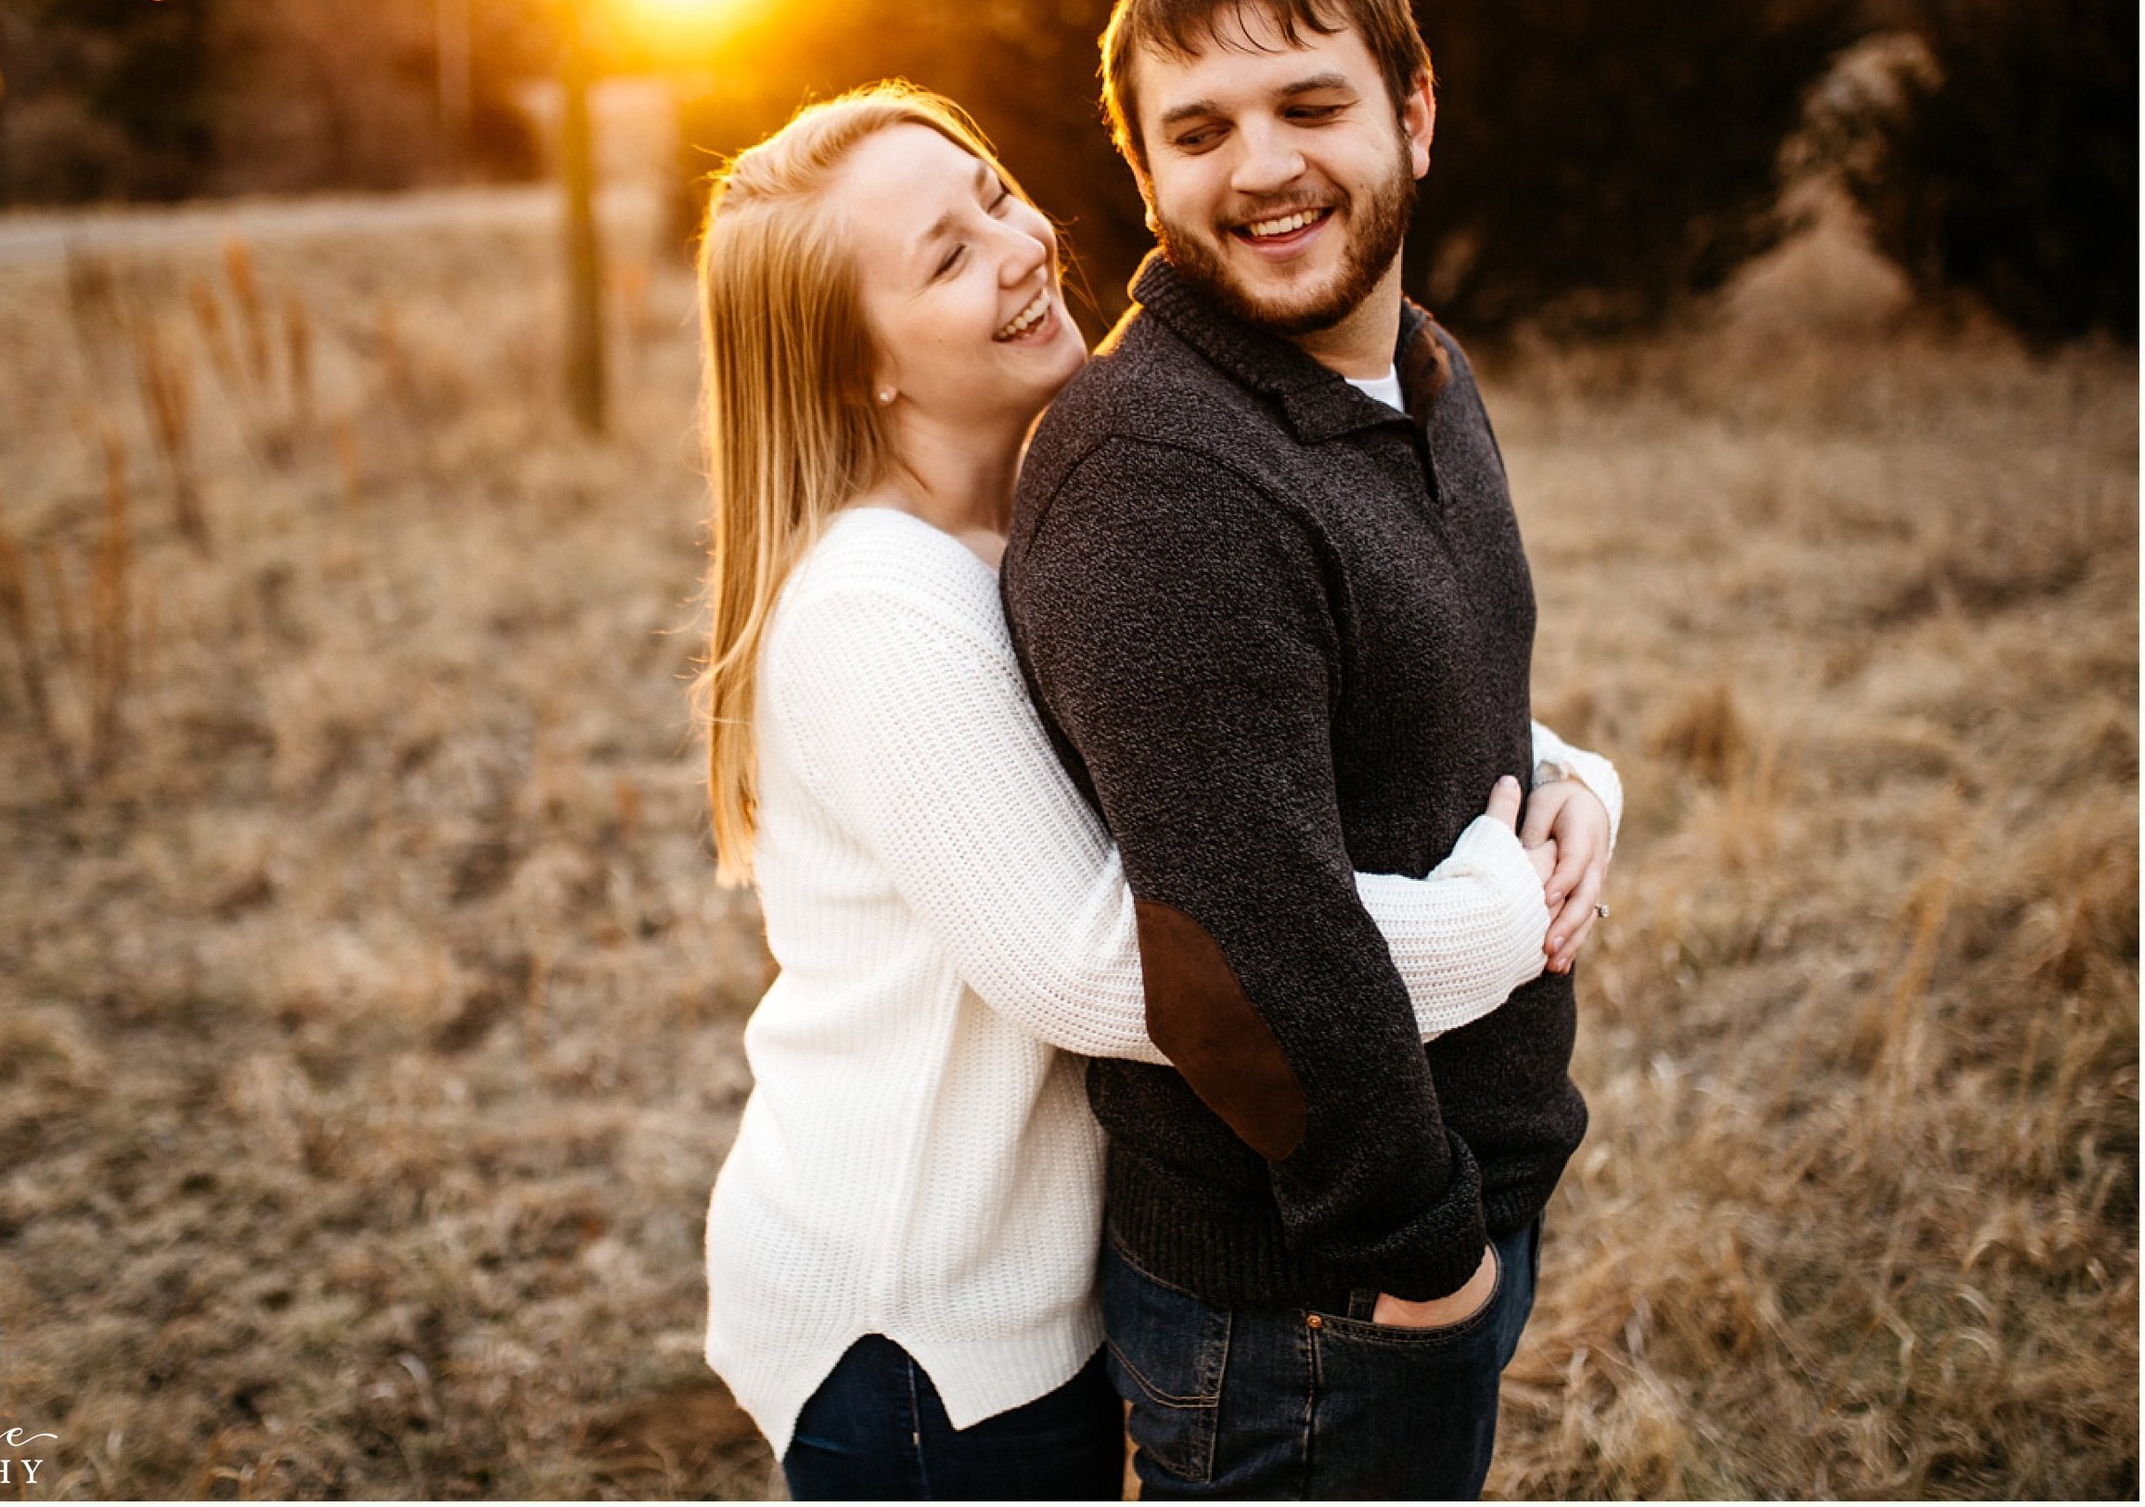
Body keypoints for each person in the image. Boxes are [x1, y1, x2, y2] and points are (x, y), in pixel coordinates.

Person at [692, 83, 1622, 1499]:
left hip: (1032, 1285)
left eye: (994, 195)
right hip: (922, 1318)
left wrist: (1564, 776)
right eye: (945, 257)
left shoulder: (1039, 516)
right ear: (854, 370)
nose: (1019, 246)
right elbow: (1096, 968)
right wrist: (1502, 920)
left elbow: (1267, 733)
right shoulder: (882, 607)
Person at [1000, 0, 1621, 1500]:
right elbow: (1226, 947)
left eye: (1311, 105)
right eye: (1198, 129)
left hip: (1450, 1205)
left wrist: (1578, 785)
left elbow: (1431, 709)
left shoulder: (1418, 367)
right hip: (1315, 1298)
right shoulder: (1158, 473)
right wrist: (1423, 1263)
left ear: (1414, 113)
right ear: (1146, 175)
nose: (1261, 166)